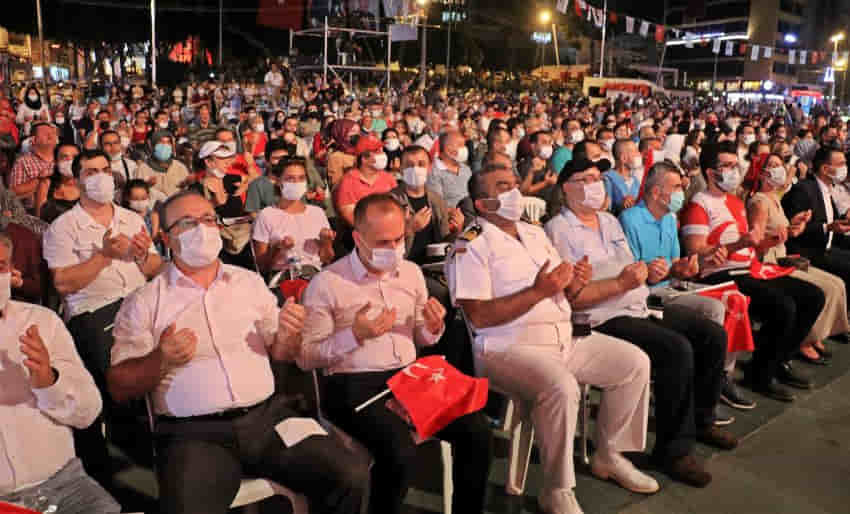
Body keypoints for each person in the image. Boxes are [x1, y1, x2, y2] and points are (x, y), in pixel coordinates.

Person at [106, 191, 370, 514]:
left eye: (207, 219)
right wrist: (161, 360)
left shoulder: (249, 284)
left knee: (349, 474)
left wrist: (288, 335)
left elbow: (283, 354)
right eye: (188, 223)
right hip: (195, 434)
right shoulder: (145, 301)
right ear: (167, 238)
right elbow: (119, 385)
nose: (202, 228)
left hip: (267, 420)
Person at [448, 164, 656, 514]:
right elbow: (479, 316)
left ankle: (610, 454)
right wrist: (538, 291)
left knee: (634, 363)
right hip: (507, 347)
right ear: (483, 204)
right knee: (561, 386)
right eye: (503, 187)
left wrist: (577, 279)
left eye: (515, 183)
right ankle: (557, 488)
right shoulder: (470, 245)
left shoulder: (534, 233)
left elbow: (570, 291)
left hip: (563, 337)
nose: (515, 192)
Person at [546, 158, 735, 488]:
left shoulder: (608, 221)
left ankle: (701, 419)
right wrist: (623, 282)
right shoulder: (558, 229)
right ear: (567, 187)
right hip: (600, 316)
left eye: (597, 178)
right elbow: (574, 296)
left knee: (711, 334)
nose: (596, 184)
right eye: (586, 178)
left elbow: (633, 268)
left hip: (637, 303)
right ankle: (673, 451)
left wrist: (664, 271)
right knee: (675, 350)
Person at [299, 193, 493, 514]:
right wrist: (355, 336)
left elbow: (422, 336)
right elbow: (306, 357)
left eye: (399, 239)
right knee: (399, 451)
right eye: (383, 242)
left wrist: (433, 327)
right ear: (358, 238)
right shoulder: (327, 283)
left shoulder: (411, 273)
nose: (393, 249)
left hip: (409, 378)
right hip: (352, 386)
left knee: (477, 431)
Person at [42, 149, 163, 484]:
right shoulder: (63, 228)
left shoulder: (132, 219)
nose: (101, 177)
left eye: (105, 169)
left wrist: (141, 254)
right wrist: (104, 256)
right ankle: (126, 453)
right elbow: (64, 283)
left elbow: (154, 267)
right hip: (95, 312)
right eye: (91, 171)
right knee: (120, 360)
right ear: (77, 180)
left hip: (142, 301)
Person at [680, 142, 825, 403]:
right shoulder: (699, 205)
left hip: (748, 268)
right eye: (728, 166)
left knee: (813, 296)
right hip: (720, 275)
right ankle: (761, 373)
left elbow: (752, 247)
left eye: (737, 165)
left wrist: (775, 238)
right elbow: (696, 250)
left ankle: (777, 360)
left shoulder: (735, 202)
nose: (735, 171)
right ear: (711, 173)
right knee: (784, 307)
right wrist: (740, 244)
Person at [0, 232, 121, 514]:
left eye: (0, 265)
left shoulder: (41, 322)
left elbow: (89, 412)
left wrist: (49, 381)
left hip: (66, 488)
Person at [619, 161, 752, 417]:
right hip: (646, 295)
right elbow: (631, 272)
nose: (683, 192)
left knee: (719, 306)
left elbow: (675, 263)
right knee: (710, 314)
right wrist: (660, 270)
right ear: (657, 192)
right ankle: (694, 395)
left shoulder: (669, 219)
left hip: (670, 287)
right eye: (677, 187)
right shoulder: (630, 220)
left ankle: (706, 393)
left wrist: (690, 265)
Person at [747, 153, 849, 363]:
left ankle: (810, 337)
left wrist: (796, 225)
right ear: (762, 172)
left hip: (782, 257)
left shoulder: (774, 197)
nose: (780, 169)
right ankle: (796, 345)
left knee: (835, 284)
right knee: (820, 291)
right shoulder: (759, 201)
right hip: (769, 262)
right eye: (773, 165)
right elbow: (755, 244)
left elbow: (784, 231)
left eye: (780, 164)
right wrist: (781, 236)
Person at [782, 146, 850, 295]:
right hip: (809, 252)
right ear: (825, 169)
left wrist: (845, 220)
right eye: (841, 164)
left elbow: (832, 222)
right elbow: (796, 231)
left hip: (828, 246)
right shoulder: (804, 189)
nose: (845, 168)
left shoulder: (827, 188)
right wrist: (828, 227)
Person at [252, 158, 335, 277]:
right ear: (278, 181)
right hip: (283, 278)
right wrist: (278, 248)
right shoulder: (266, 215)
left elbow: (327, 259)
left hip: (315, 276)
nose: (296, 183)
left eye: (301, 178)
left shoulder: (317, 213)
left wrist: (326, 242)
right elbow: (262, 267)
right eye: (290, 178)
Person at [334, 135, 398, 228]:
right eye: (377, 151)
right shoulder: (349, 181)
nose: (383, 154)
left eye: (382, 151)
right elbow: (349, 215)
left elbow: (397, 206)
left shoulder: (388, 178)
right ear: (364, 159)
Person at [9, 122, 57, 217]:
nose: (50, 134)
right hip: (35, 214)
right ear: (33, 140)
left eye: (52, 132)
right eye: (44, 132)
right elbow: (13, 193)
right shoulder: (23, 162)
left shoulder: (63, 157)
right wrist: (38, 180)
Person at [135, 130, 190, 199]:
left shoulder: (180, 167)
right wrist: (147, 186)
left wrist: (185, 184)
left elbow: (187, 192)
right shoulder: (142, 169)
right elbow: (137, 195)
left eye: (168, 142)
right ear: (153, 145)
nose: (165, 146)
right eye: (161, 142)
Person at [426, 130, 473, 209]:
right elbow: (438, 205)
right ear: (448, 149)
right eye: (460, 145)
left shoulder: (466, 169)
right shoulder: (433, 173)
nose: (464, 149)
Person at [605, 139, 643, 214]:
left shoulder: (635, 180)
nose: (639, 155)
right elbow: (605, 210)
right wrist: (620, 206)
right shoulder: (607, 179)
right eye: (635, 152)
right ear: (623, 158)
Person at [101, 129, 137, 197]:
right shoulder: (97, 167)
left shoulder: (131, 165)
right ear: (101, 147)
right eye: (107, 144)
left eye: (115, 143)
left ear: (120, 144)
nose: (113, 147)